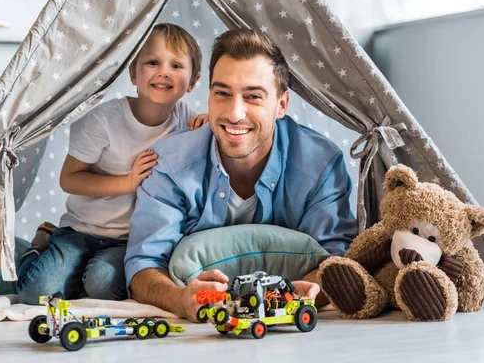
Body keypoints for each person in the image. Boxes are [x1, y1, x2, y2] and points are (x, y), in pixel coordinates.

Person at [125, 29, 358, 321]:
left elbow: (335, 255)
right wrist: (178, 299)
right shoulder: (170, 164)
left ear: (281, 105)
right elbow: (144, 263)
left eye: (253, 97)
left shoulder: (320, 164)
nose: (235, 114)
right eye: (222, 93)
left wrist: (302, 292)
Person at [16, 23, 208, 305]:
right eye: (152, 62)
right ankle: (37, 249)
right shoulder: (103, 121)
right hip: (82, 229)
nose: (164, 71)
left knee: (103, 287)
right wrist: (127, 183)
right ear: (132, 73)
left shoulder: (185, 122)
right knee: (37, 292)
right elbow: (69, 178)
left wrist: (206, 127)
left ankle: (78, 277)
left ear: (192, 82)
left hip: (128, 240)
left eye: (176, 65)